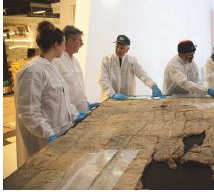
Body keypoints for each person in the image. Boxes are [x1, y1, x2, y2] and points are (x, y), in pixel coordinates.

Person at [15, 21, 87, 167]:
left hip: (60, 130)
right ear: (56, 44)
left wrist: (74, 114)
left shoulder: (51, 66)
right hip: (44, 136)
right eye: (63, 43)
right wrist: (49, 133)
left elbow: (63, 98)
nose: (65, 46)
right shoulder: (33, 70)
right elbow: (28, 111)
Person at [98, 34, 164, 101]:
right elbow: (103, 80)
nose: (118, 50)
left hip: (127, 99)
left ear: (127, 50)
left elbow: (142, 75)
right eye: (117, 46)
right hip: (109, 99)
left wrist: (153, 86)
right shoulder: (106, 60)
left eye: (121, 48)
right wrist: (112, 94)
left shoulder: (132, 60)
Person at [53, 25, 99, 111]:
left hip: (81, 110)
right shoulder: (57, 61)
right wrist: (72, 112)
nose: (82, 44)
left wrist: (85, 104)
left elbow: (78, 87)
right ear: (70, 41)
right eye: (80, 40)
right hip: (67, 114)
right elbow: (56, 94)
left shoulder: (75, 61)